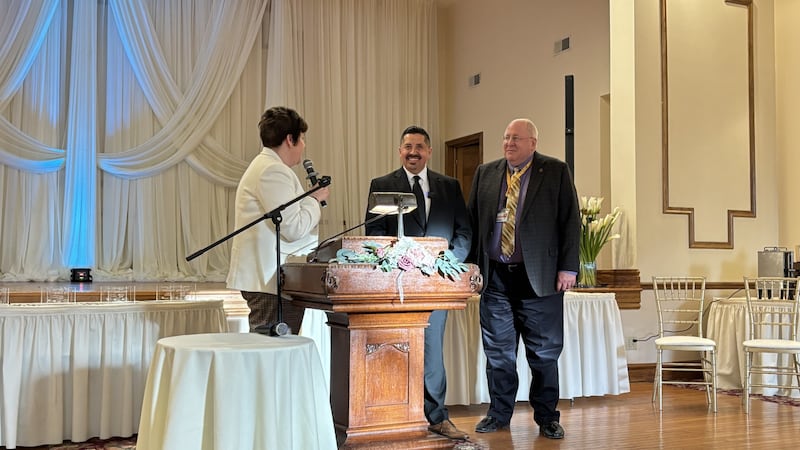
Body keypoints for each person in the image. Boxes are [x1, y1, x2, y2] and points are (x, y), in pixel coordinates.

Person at [467, 118, 579, 440]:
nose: (509, 143)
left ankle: (547, 417)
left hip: (540, 280)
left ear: (533, 142)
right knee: (498, 353)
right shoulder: (486, 173)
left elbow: (570, 221)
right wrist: (470, 269)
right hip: (496, 279)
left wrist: (568, 268)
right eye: (505, 138)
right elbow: (474, 223)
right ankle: (498, 413)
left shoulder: (555, 171)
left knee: (543, 354)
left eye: (516, 138)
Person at [364, 125, 472, 441]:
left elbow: (464, 231)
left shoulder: (449, 186)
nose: (413, 152)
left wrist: (450, 259)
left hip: (437, 283)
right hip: (398, 283)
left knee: (432, 353)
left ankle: (437, 417)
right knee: (397, 350)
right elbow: (374, 233)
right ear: (400, 151)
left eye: (419, 147)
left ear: (429, 151)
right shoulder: (382, 185)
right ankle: (397, 415)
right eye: (408, 146)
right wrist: (400, 259)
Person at [227, 106, 330, 333]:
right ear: (290, 139)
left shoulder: (269, 167)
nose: (303, 146)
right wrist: (315, 200)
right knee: (271, 353)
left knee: (275, 353)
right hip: (270, 280)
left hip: (273, 279)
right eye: (302, 139)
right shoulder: (273, 170)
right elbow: (293, 228)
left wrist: (309, 198)